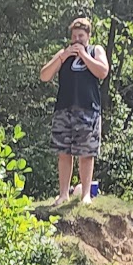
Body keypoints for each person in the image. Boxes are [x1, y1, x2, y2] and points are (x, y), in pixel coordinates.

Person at [40, 16, 109, 204]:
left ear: (88, 36)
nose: (77, 40)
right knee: (64, 153)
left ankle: (85, 195)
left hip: (88, 109)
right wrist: (63, 56)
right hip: (64, 109)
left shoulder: (95, 51)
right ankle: (63, 194)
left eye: (81, 36)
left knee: (86, 154)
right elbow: (44, 76)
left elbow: (103, 72)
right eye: (74, 36)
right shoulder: (64, 54)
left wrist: (84, 56)